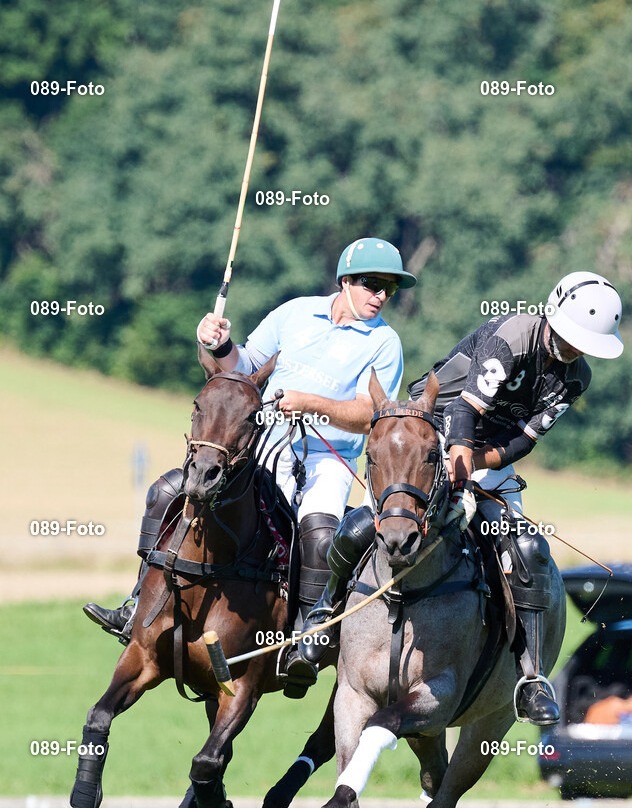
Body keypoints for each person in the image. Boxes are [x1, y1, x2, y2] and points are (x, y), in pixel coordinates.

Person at [84, 237, 417, 698]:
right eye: (372, 284)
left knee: (321, 531)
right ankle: (137, 603)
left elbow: (368, 413)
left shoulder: (385, 342)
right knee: (169, 492)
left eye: (389, 289)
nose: (380, 295)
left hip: (326, 458)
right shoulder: (295, 313)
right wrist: (219, 344)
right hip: (259, 446)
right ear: (345, 280)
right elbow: (243, 366)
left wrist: (309, 403)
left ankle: (302, 642)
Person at [301, 271, 624, 726]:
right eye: (572, 338)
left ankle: (530, 678)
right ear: (552, 315)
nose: (575, 350)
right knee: (363, 525)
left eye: (585, 345)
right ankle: (321, 619)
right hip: (426, 431)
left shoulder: (577, 379)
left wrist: (480, 461)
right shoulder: (512, 334)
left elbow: (525, 439)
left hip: (483, 454)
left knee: (527, 549)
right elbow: (462, 409)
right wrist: (455, 456)